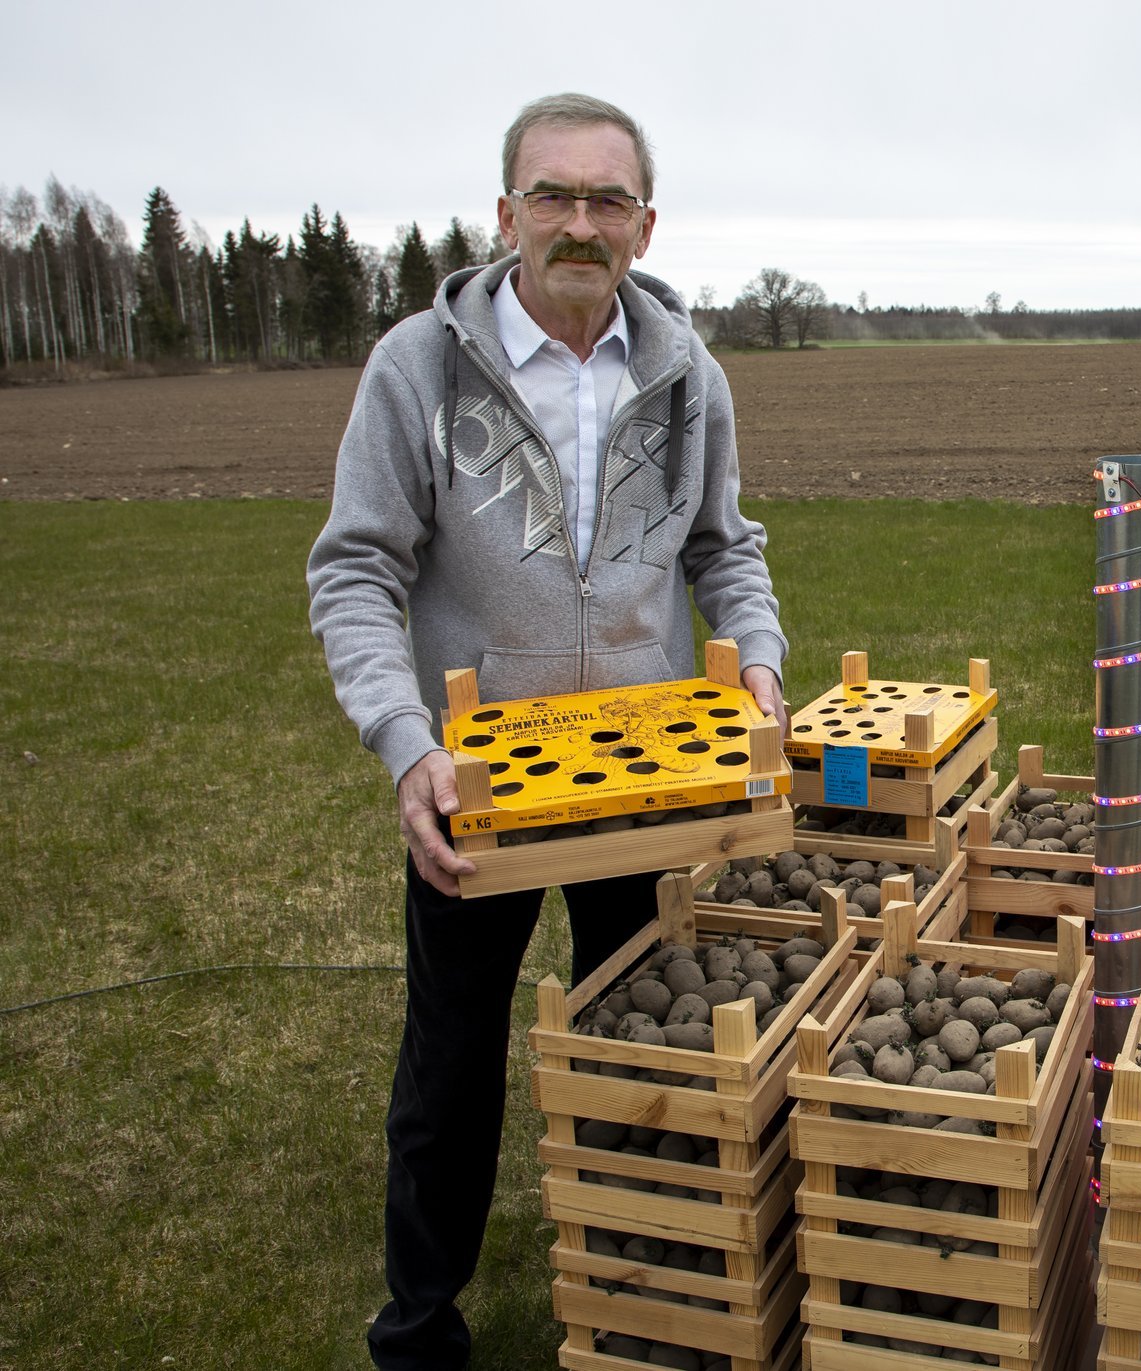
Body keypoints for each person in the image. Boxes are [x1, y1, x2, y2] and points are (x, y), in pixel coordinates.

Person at [306, 92, 787, 1371]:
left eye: (606, 200)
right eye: (555, 196)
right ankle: (417, 1322)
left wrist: (762, 673)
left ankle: (641, 1303)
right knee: (451, 1065)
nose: (580, 224)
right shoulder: (417, 365)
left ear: (644, 223)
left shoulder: (687, 372)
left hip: (646, 776)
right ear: (506, 211)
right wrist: (410, 745)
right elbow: (355, 569)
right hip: (485, 782)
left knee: (646, 1040)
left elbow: (721, 551)